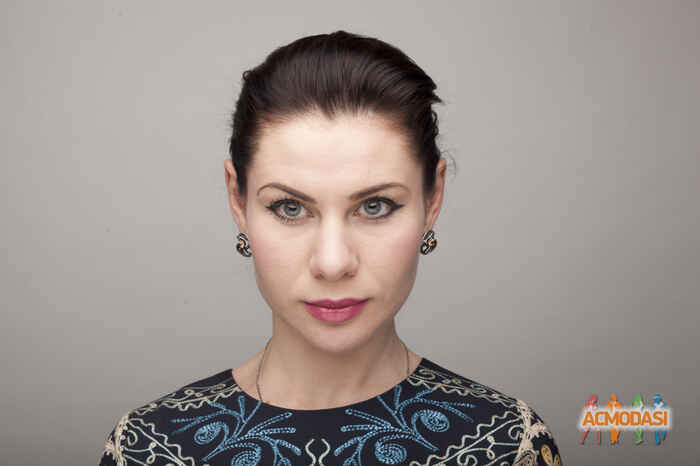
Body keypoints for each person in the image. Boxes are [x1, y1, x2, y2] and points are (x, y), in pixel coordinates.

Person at [99, 30, 562, 466]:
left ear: (433, 198)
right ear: (237, 200)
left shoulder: (505, 444)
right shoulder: (149, 449)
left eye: (375, 206)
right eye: (290, 208)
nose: (333, 263)